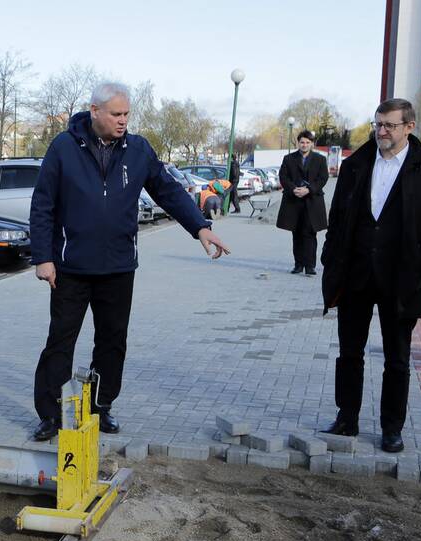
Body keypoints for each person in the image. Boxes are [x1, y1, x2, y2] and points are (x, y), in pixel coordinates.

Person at [30, 82, 231, 441]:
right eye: (116, 114)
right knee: (60, 341)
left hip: (119, 267)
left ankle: (100, 406)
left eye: (127, 114)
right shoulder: (63, 147)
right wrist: (44, 257)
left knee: (112, 342)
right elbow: (43, 203)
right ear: (95, 112)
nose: (123, 121)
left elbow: (168, 190)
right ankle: (50, 415)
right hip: (71, 268)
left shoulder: (138, 150)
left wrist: (200, 227)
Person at [319, 98, 421, 453]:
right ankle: (347, 417)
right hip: (356, 275)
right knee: (350, 352)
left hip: (402, 278)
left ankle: (391, 428)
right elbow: (338, 218)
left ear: (409, 127)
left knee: (397, 358)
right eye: (377, 124)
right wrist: (331, 259)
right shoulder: (356, 165)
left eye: (389, 126)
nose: (381, 131)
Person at [276, 130, 329, 276]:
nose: (304, 145)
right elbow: (283, 176)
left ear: (312, 144)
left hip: (312, 201)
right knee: (297, 233)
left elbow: (323, 178)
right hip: (294, 202)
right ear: (298, 143)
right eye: (302, 142)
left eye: (307, 142)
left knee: (310, 233)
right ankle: (298, 264)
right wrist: (293, 189)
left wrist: (309, 189)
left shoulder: (320, 159)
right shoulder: (288, 159)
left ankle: (310, 266)